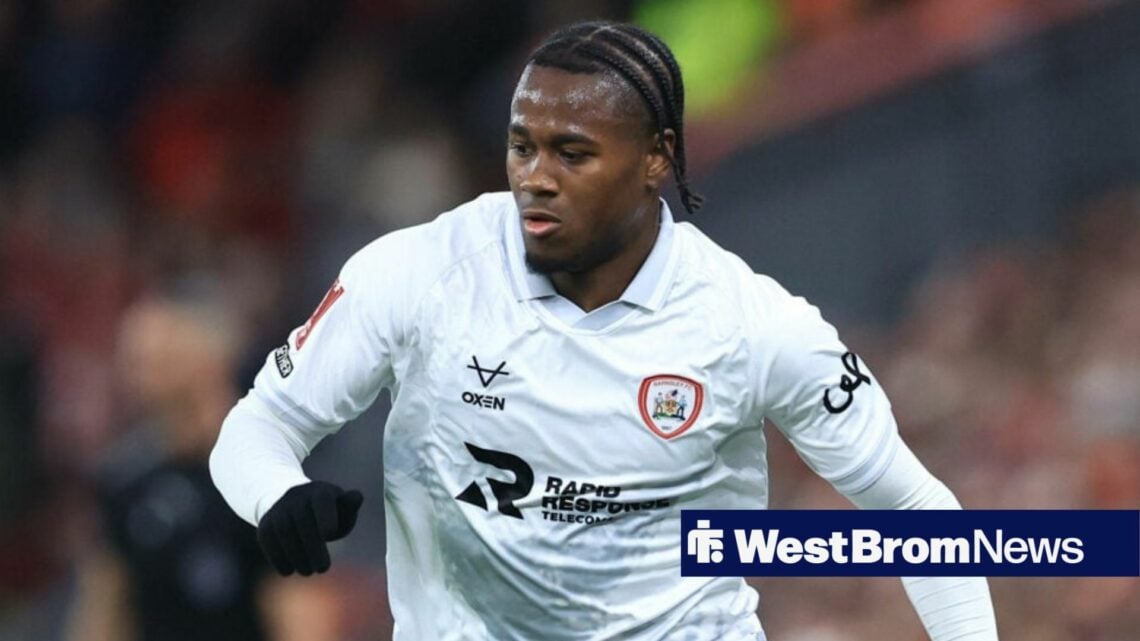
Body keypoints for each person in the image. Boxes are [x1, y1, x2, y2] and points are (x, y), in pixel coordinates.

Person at [210, 20, 999, 640]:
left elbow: (917, 512)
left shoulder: (751, 325)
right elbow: (255, 429)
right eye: (522, 147)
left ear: (656, 158)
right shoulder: (422, 273)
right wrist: (278, 493)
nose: (536, 178)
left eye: (572, 153)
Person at [67, 295, 343, 641]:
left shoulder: (267, 477)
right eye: (133, 359)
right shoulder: (123, 481)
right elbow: (103, 607)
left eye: (157, 357)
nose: (137, 371)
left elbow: (302, 616)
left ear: (208, 359)